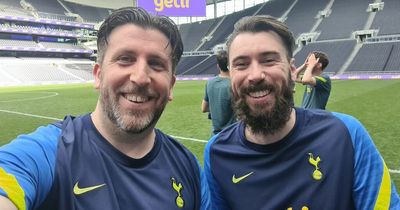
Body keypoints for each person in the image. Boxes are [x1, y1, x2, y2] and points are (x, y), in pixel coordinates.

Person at [0, 7, 210, 210]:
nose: (140, 77)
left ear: (171, 85)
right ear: (98, 75)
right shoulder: (47, 154)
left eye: (156, 64)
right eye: (125, 59)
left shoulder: (188, 167)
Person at [204, 15, 400, 209]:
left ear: (291, 70)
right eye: (241, 64)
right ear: (231, 75)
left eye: (269, 60)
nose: (255, 75)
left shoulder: (347, 134)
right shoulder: (216, 153)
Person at [201, 50, 236, 135]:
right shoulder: (234, 84)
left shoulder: (210, 83)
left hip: (216, 135)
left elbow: (204, 108)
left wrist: (217, 109)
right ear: (231, 65)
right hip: (232, 134)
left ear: (218, 66)